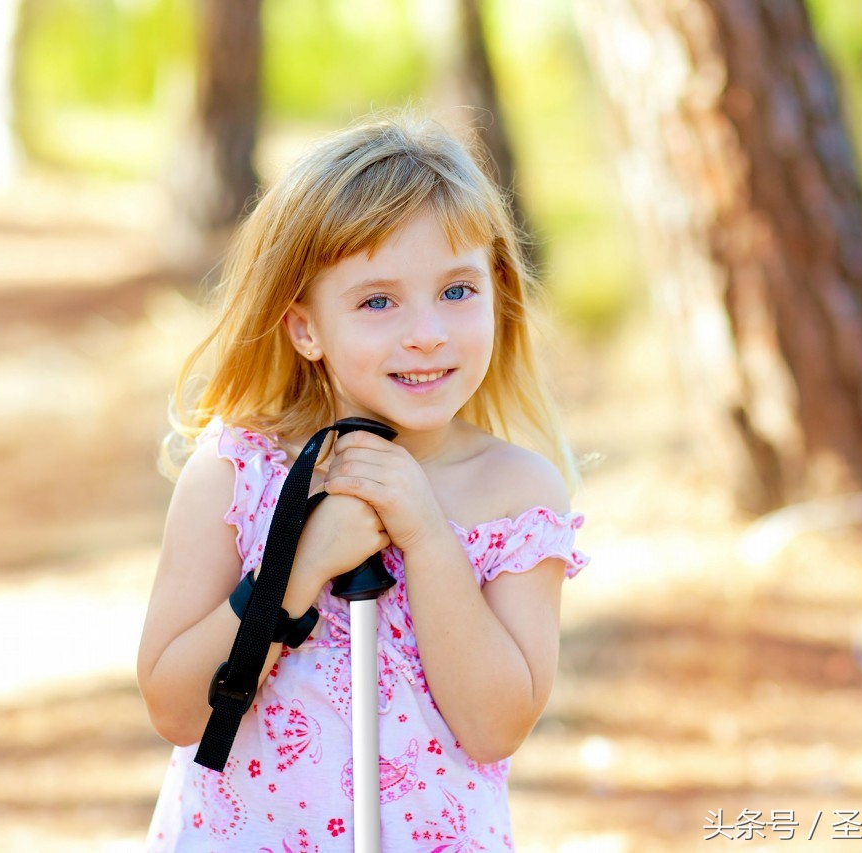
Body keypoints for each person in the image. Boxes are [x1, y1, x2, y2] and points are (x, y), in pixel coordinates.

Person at [137, 111, 590, 851]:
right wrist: (299, 563)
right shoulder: (236, 472)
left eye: (457, 291)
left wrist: (425, 532)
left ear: (497, 293)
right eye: (378, 301)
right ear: (305, 327)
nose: (427, 332)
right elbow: (175, 707)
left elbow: (493, 723)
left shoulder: (517, 494)